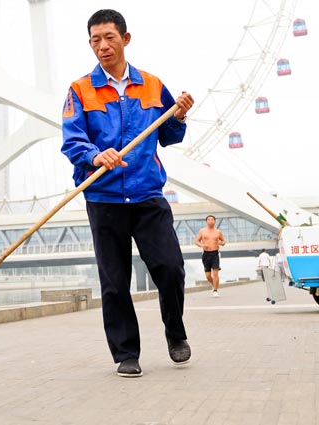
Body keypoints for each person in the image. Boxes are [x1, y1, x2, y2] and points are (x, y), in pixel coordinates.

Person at [61, 9, 194, 378]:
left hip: (147, 193)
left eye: (109, 38)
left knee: (170, 268)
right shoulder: (79, 90)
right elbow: (72, 141)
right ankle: (126, 353)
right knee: (114, 281)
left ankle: (176, 333)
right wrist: (94, 154)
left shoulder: (151, 85)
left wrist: (179, 116)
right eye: (95, 40)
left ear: (125, 38)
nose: (102, 46)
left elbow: (167, 135)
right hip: (103, 198)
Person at [195, 215, 226, 297]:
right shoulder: (202, 231)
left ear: (215, 221)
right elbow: (197, 241)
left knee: (215, 273)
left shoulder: (218, 232)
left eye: (212, 219)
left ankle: (215, 290)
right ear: (206, 221)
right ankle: (214, 285)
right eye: (209, 220)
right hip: (206, 254)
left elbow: (223, 242)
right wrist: (202, 245)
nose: (210, 221)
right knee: (208, 276)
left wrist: (221, 243)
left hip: (215, 253)